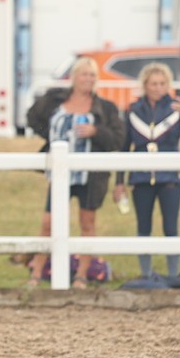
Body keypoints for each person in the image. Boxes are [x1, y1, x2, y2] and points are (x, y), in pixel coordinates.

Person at [25, 56, 124, 289]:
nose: (88, 79)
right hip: (60, 174)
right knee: (48, 223)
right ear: (74, 77)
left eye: (92, 75)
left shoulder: (105, 108)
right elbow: (33, 118)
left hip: (90, 175)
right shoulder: (56, 101)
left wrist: (95, 131)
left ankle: (81, 275)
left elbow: (117, 140)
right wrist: (49, 136)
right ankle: (36, 273)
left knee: (87, 223)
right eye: (84, 74)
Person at [113, 63, 180, 283]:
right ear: (145, 85)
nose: (158, 88)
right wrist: (120, 181)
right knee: (143, 225)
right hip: (141, 176)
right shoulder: (133, 111)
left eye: (162, 83)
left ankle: (173, 275)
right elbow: (124, 147)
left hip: (169, 176)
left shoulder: (175, 109)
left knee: (171, 226)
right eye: (153, 83)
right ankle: (146, 274)